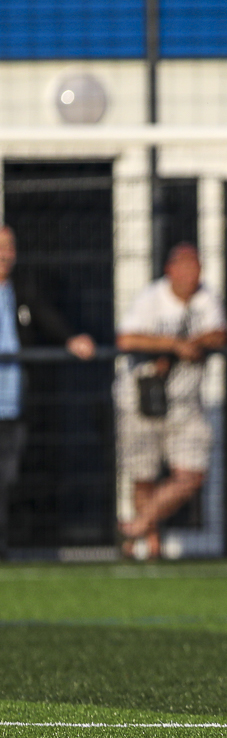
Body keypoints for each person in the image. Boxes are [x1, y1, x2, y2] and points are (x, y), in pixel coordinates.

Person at [116, 244, 225, 559]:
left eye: (197, 269)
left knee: (192, 474)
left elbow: (219, 334)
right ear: (170, 271)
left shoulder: (207, 299)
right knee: (143, 475)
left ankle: (138, 524)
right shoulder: (151, 298)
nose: (192, 276)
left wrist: (194, 342)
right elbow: (127, 338)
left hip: (185, 404)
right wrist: (173, 346)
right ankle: (150, 545)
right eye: (186, 269)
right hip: (140, 400)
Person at [0, 226, 95, 557]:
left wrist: (71, 339)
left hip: (12, 405)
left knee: (8, 479)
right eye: (0, 247)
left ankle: (5, 546)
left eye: (9, 246)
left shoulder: (21, 289)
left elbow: (45, 316)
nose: (5, 254)